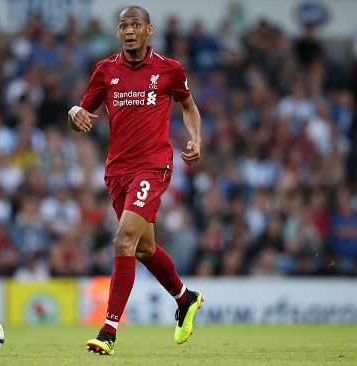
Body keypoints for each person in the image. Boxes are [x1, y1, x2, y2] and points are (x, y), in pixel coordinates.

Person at [68, 6, 203, 356]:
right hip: (117, 171)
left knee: (124, 240)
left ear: (148, 31)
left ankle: (108, 330)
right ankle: (185, 298)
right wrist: (73, 113)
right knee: (144, 248)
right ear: (118, 33)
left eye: (136, 25)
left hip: (154, 166)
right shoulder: (105, 70)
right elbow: (83, 112)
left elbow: (188, 106)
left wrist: (195, 139)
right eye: (124, 25)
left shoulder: (169, 70)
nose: (129, 30)